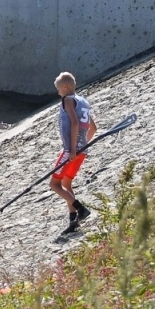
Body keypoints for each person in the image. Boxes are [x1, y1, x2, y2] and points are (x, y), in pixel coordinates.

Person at [49, 72, 97, 232]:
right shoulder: (83, 101)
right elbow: (93, 128)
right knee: (66, 183)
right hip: (82, 150)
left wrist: (73, 149)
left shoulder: (68, 100)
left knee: (54, 184)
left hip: (71, 150)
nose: (58, 93)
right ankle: (73, 220)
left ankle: (81, 209)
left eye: (58, 89)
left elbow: (75, 123)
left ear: (65, 87)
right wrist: (83, 145)